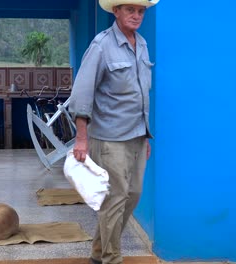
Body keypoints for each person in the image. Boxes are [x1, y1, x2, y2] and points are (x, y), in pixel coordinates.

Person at [68, 0, 159, 263]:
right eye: (130, 9)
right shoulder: (101, 45)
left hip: (137, 137)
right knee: (114, 201)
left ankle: (98, 254)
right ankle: (111, 258)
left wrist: (144, 135)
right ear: (116, 11)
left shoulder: (141, 44)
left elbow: (142, 94)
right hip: (109, 138)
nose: (136, 15)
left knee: (132, 195)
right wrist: (81, 139)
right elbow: (82, 94)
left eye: (141, 11)